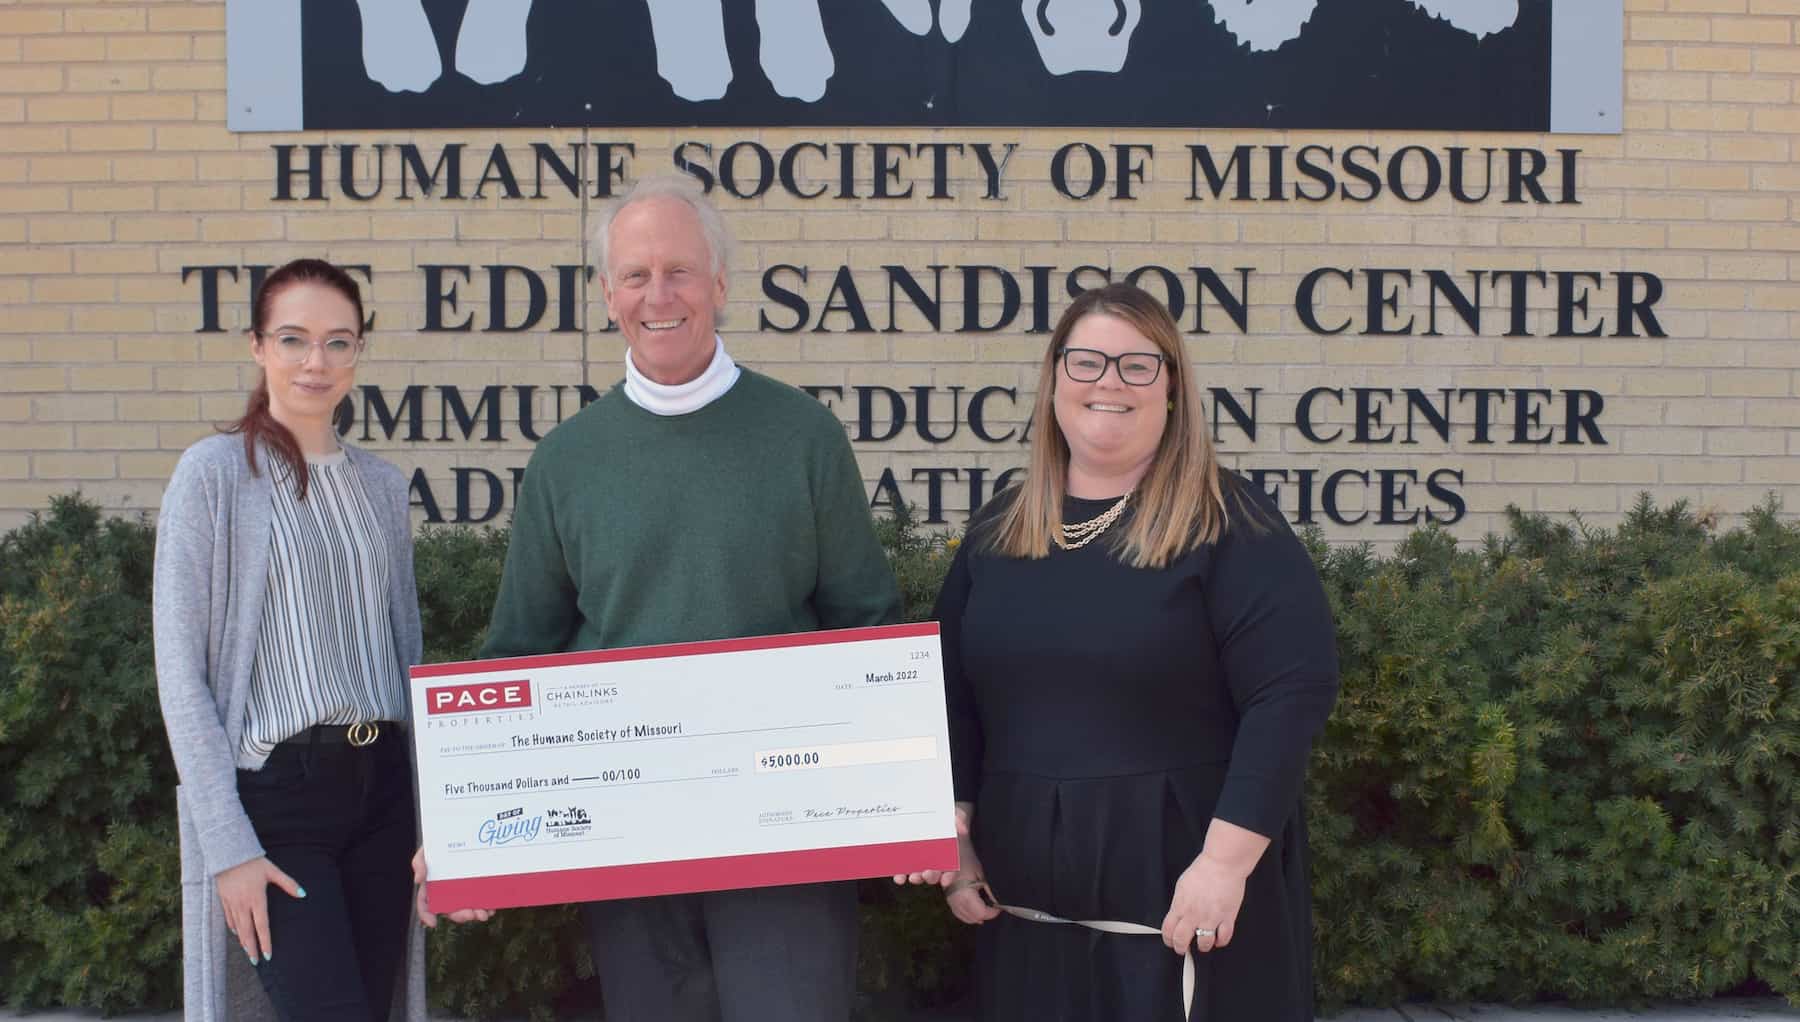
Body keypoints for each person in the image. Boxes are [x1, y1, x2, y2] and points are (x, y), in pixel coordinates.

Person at [462, 174, 902, 1021]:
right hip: (633, 841)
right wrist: (464, 830)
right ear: (606, 295)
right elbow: (519, 652)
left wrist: (910, 803)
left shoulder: (802, 436)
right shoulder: (567, 462)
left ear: (721, 285)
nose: (657, 296)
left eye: (679, 272)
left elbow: (868, 628)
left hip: (786, 841)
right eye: (635, 276)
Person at [901, 282, 1340, 1020]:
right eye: (1087, 362)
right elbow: (950, 694)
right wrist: (956, 830)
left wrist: (1224, 865)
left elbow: (1291, 694)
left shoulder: (1230, 523)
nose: (1109, 381)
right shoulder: (1001, 529)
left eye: (1138, 365)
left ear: (1172, 388)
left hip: (1182, 899)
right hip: (1027, 907)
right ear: (1053, 383)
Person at [153, 258, 427, 1022]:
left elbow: (405, 650)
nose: (317, 361)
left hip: (383, 791)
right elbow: (181, 673)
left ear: (359, 352)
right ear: (257, 346)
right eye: (295, 338)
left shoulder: (379, 484)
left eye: (339, 341)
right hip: (279, 801)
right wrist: (228, 848)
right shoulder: (213, 476)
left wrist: (437, 809)